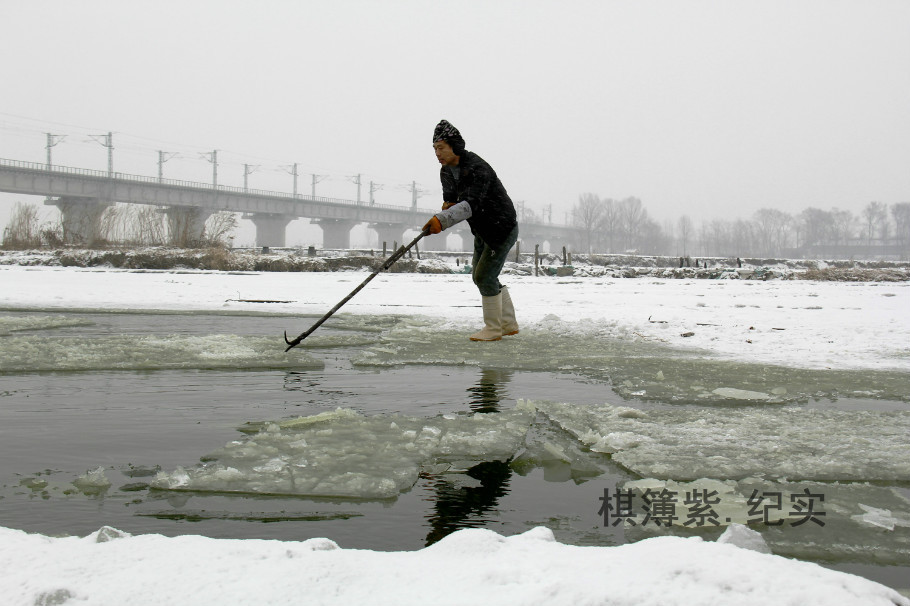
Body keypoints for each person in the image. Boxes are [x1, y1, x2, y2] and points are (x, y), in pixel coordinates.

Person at [423, 119, 519, 341]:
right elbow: (451, 201)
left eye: (441, 147)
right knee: (479, 276)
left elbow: (471, 204)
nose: (437, 153)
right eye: (434, 148)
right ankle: (508, 324)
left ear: (454, 146)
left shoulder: (478, 168)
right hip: (481, 229)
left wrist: (442, 220)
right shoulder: (446, 172)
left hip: (501, 228)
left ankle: (493, 329)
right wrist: (445, 211)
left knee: (485, 276)